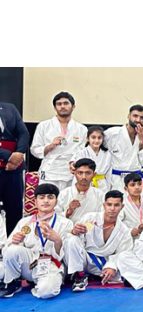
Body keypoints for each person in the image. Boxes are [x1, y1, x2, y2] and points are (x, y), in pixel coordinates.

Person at [0, 184, 73, 299]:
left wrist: (57, 240)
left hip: (51, 264)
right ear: (35, 201)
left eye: (50, 197)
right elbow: (6, 251)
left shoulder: (65, 223)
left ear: (56, 201)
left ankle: (40, 283)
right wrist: (15, 241)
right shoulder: (25, 222)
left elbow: (66, 256)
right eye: (42, 197)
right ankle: (13, 282)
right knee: (12, 249)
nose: (46, 201)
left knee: (46, 291)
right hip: (29, 264)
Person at [62, 190, 132, 291]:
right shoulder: (90, 217)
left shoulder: (124, 230)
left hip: (103, 263)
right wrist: (74, 231)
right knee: (72, 240)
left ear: (122, 207)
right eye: (109, 204)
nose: (112, 208)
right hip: (83, 259)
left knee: (120, 273)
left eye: (116, 205)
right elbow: (74, 241)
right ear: (104, 205)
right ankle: (79, 275)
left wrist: (111, 267)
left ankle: (93, 275)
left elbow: (122, 253)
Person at [30, 91, 88, 190]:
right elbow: (34, 149)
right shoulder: (44, 126)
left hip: (71, 172)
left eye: (66, 103)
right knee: (47, 202)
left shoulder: (82, 129)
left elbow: (83, 152)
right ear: (55, 107)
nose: (62, 106)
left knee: (69, 203)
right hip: (49, 171)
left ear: (73, 106)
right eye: (59, 104)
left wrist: (75, 162)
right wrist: (50, 146)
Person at [0, 101, 31, 235]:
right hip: (9, 157)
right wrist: (8, 156)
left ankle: (12, 245)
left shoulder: (9, 108)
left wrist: (18, 154)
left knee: (14, 209)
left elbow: (23, 133)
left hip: (13, 168)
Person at [103, 104, 143, 191]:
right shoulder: (112, 133)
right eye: (135, 116)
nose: (138, 120)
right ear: (128, 116)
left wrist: (142, 141)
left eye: (141, 118)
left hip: (136, 179)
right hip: (116, 179)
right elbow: (98, 150)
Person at [57, 158, 104, 223]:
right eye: (80, 173)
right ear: (75, 173)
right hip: (68, 231)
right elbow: (55, 217)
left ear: (94, 174)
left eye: (88, 173)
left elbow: (102, 217)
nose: (84, 177)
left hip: (91, 231)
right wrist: (68, 212)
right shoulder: (64, 194)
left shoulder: (100, 195)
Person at [70, 126, 113, 191]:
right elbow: (74, 166)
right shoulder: (81, 153)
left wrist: (109, 187)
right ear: (87, 138)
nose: (96, 140)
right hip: (84, 182)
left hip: (102, 185)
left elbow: (109, 173)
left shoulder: (107, 154)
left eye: (99, 138)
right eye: (93, 137)